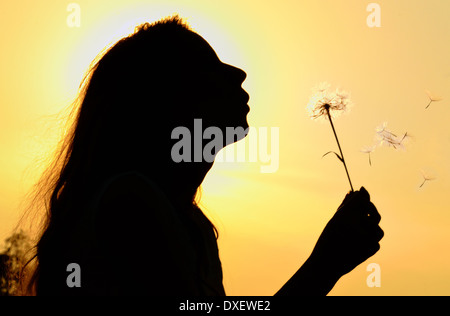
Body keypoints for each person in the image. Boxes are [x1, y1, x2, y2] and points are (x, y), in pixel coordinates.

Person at [25, 15, 383, 296]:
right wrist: (323, 266)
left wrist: (327, 264)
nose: (238, 72)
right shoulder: (130, 204)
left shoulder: (187, 222)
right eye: (209, 66)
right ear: (164, 99)